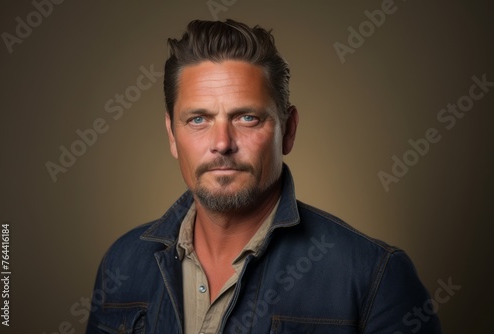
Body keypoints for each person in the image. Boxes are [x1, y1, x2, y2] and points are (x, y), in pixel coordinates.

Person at [86, 19, 441, 334]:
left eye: (247, 118)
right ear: (171, 135)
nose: (222, 143)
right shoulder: (123, 264)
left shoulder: (374, 278)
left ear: (288, 131)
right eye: (198, 119)